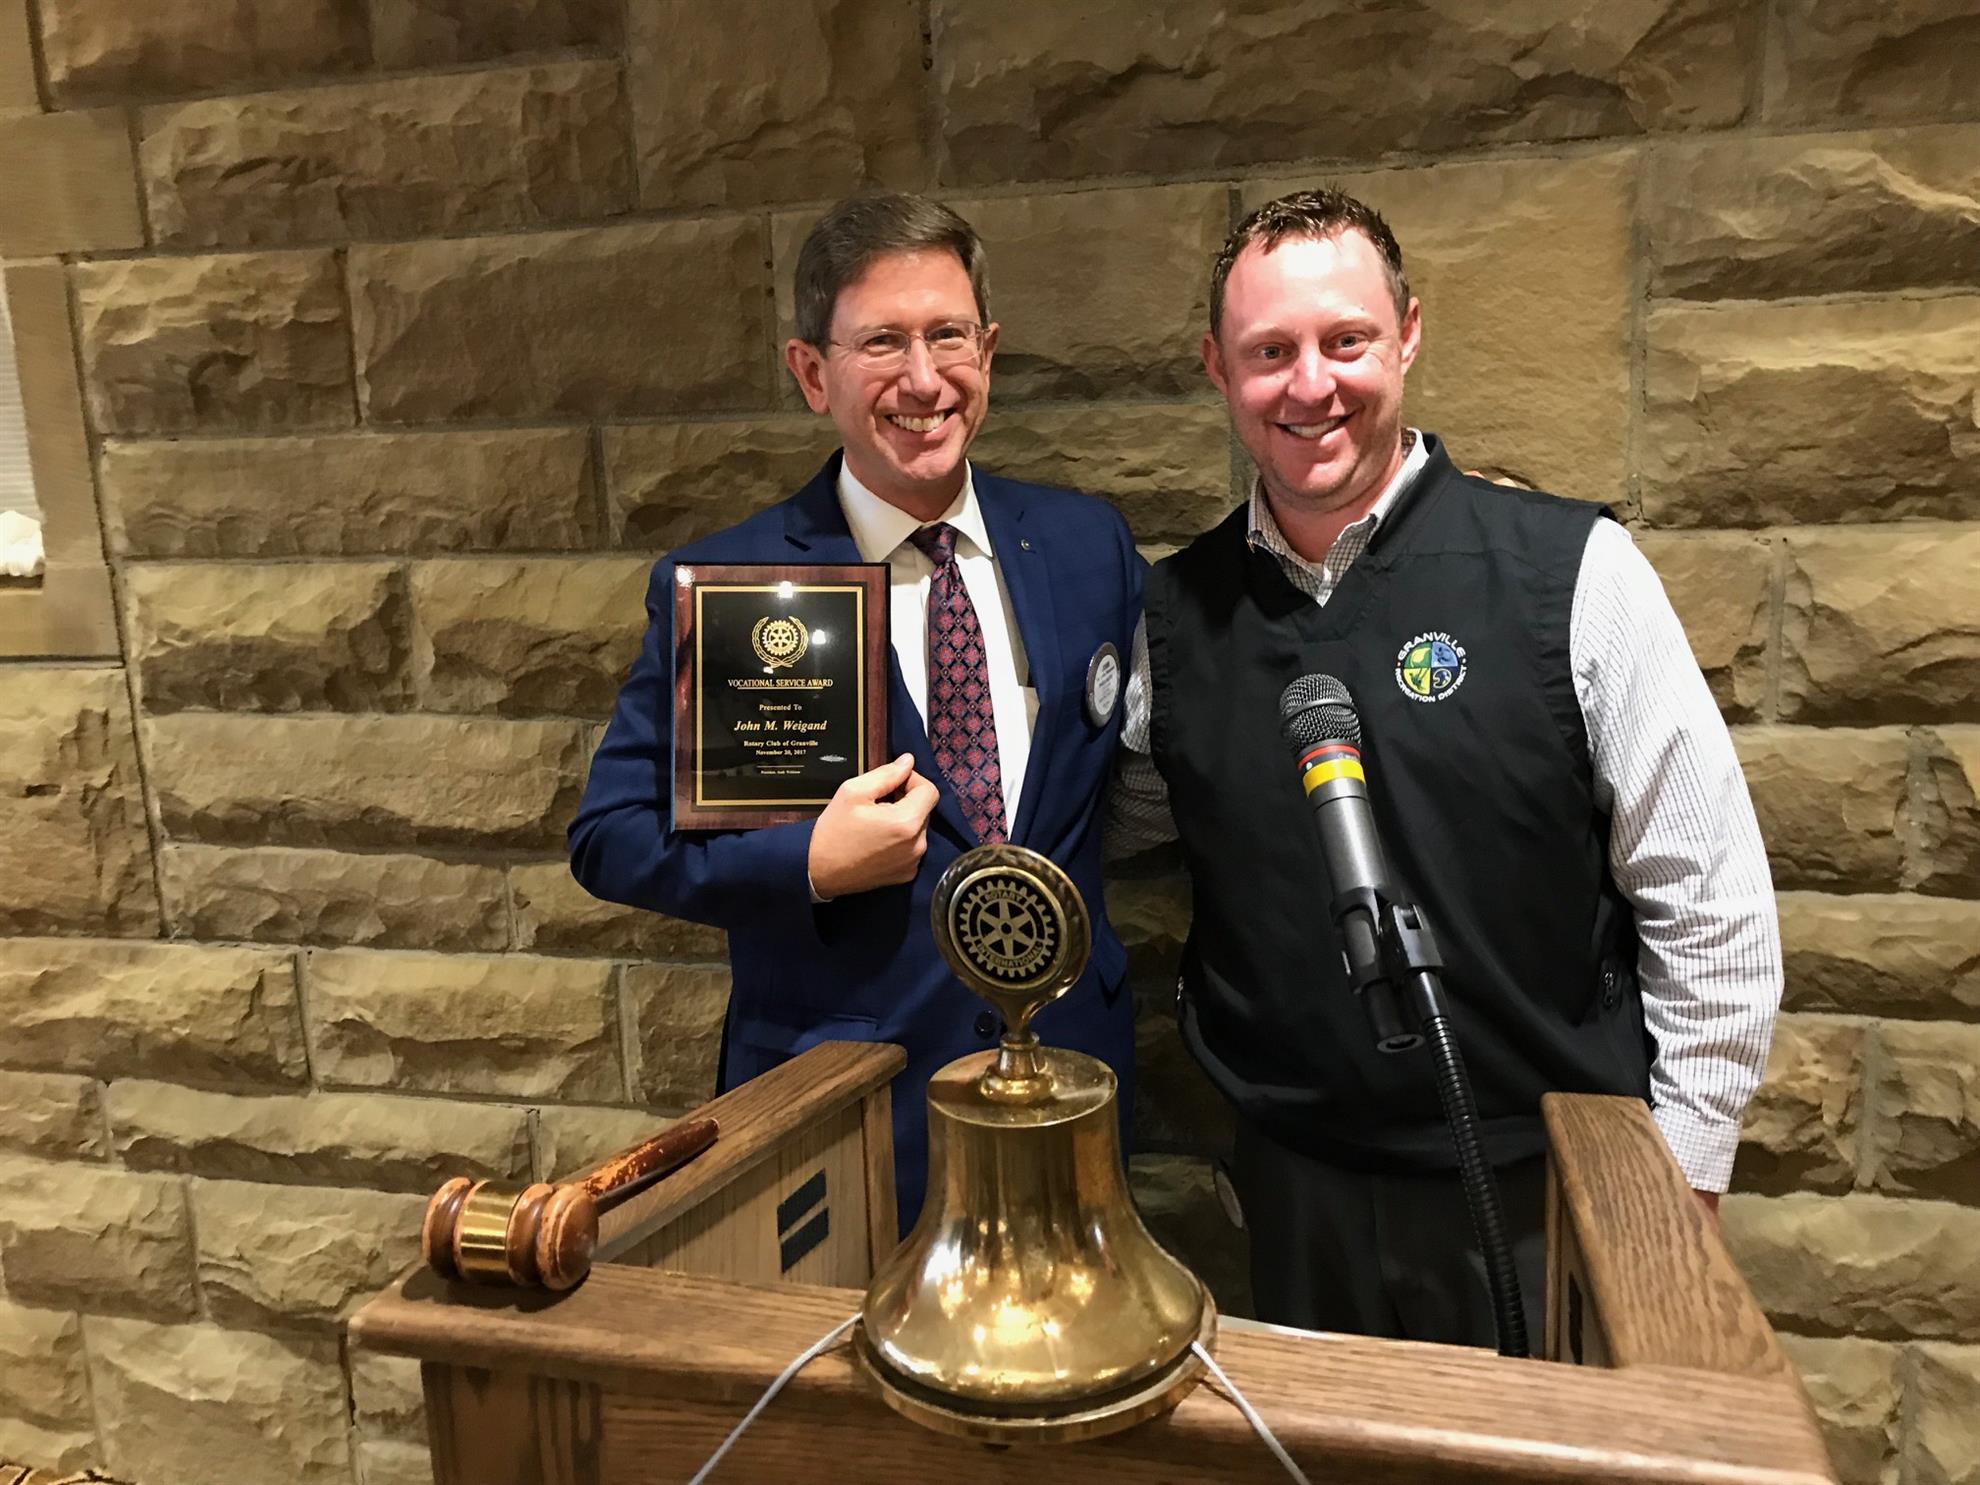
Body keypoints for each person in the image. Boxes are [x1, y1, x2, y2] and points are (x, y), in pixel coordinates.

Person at [1110, 188, 1780, 1347]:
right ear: (1217, 367)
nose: (1310, 385)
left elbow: (1709, 900)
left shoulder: (1574, 576)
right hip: (1294, 1187)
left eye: (1346, 340)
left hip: (1545, 1187)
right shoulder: (1173, 619)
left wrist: (1673, 1196)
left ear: (1408, 334)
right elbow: (1121, 819)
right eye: (1270, 351)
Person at [571, 194, 1143, 1231]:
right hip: (850, 1113)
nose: (924, 379)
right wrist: (808, 863)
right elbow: (608, 837)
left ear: (988, 351)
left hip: (1072, 1090)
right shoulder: (739, 585)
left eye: (948, 335)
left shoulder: (1086, 546)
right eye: (882, 342)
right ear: (810, 373)